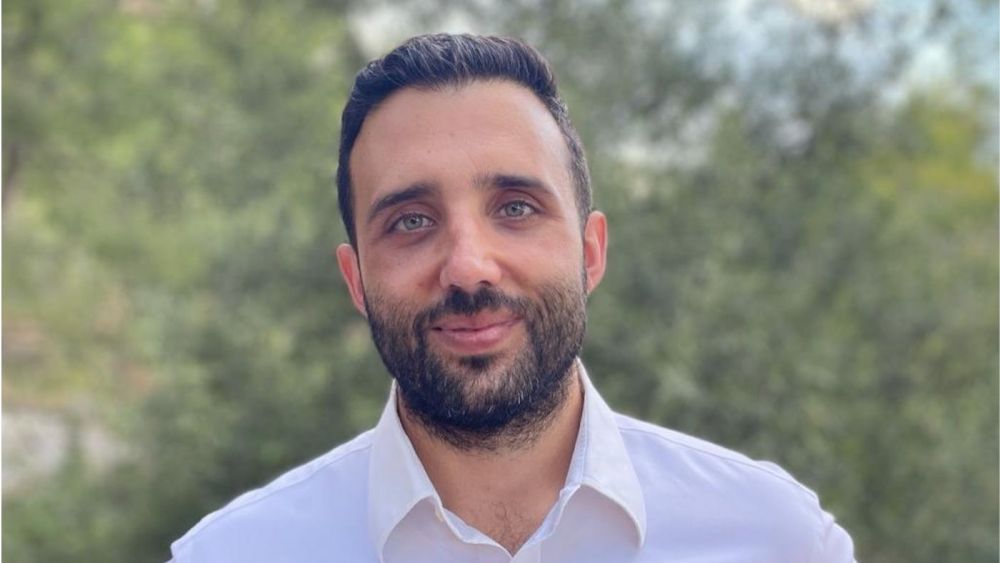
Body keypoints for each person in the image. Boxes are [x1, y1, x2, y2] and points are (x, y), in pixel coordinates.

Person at [169, 33, 856, 562]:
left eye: (516, 208)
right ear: (355, 281)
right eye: (411, 221)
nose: (469, 268)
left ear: (591, 251)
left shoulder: (779, 540)